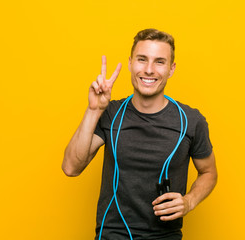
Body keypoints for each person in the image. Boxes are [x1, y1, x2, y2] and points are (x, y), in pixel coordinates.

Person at [62, 28, 218, 240]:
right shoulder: (110, 113)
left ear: (171, 69)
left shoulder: (190, 120)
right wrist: (94, 110)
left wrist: (189, 201)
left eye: (159, 62)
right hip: (112, 235)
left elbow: (209, 173)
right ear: (130, 63)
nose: (149, 69)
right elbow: (71, 167)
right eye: (142, 59)